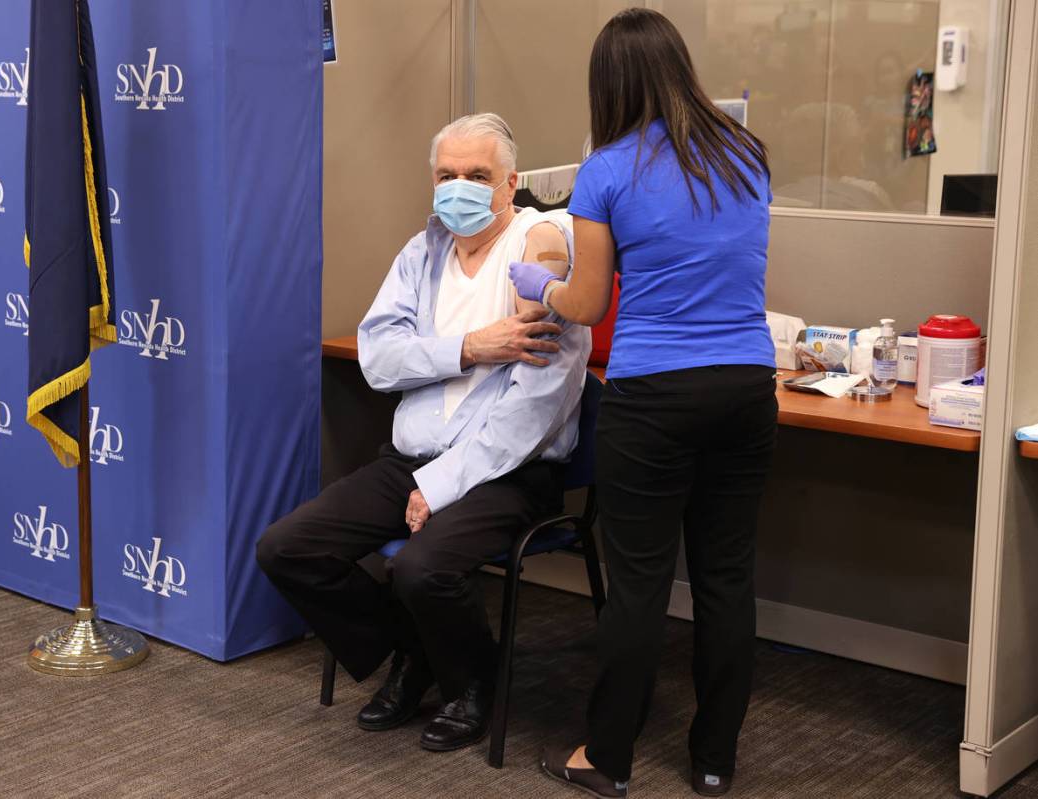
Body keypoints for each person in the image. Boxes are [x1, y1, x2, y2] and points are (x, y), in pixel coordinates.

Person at [257, 113, 590, 753]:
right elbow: (378, 360)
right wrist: (468, 347)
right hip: (407, 458)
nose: (459, 188)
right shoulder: (423, 251)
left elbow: (533, 411)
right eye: (447, 175)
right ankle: (417, 652)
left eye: (477, 176)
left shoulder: (541, 255)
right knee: (287, 548)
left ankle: (474, 681)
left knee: (421, 568)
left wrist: (441, 485)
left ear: (510, 182)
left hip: (507, 473)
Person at [509, 10, 777, 797]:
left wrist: (538, 285)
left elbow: (587, 304)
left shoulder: (607, 169)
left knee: (638, 583)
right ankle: (714, 758)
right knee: (727, 576)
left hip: (653, 396)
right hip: (744, 389)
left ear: (609, 84)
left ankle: (607, 756)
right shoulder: (746, 155)